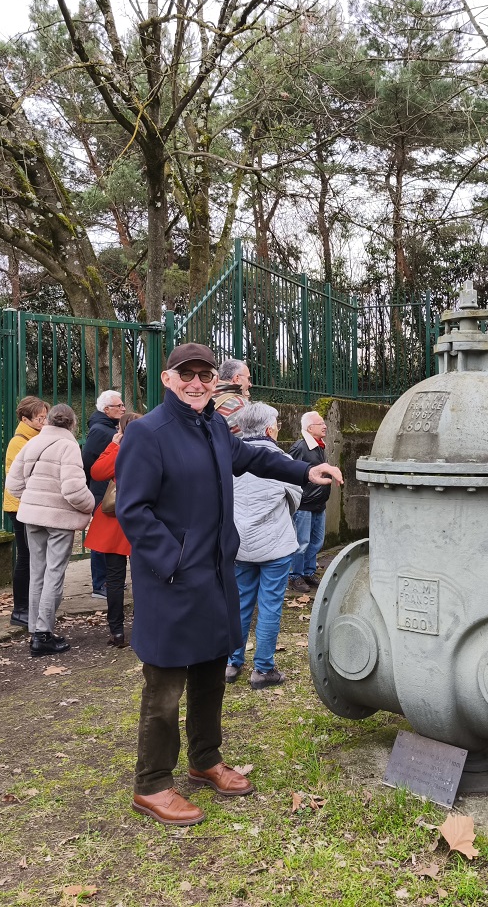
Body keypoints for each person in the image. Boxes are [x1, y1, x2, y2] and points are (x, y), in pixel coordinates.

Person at [116, 343, 344, 826]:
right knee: (165, 688)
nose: (197, 382)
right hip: (173, 581)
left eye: (205, 374)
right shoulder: (148, 433)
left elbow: (253, 458)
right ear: (167, 378)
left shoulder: (215, 425)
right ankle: (152, 783)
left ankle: (204, 760)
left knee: (209, 674)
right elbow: (132, 511)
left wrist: (306, 469)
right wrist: (174, 560)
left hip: (216, 576)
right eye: (187, 374)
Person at [5, 404, 96, 657]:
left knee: (38, 572)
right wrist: (91, 505)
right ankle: (43, 633)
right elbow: (73, 490)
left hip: (31, 518)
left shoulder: (32, 443)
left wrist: (34, 501)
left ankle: (35, 630)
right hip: (58, 519)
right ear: (72, 424)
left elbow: (13, 484)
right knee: (54, 573)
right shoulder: (68, 446)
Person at [223, 402, 301, 690]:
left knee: (240, 602)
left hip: (240, 544)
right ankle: (263, 668)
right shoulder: (279, 458)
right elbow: (295, 497)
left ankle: (232, 662)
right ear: (270, 428)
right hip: (275, 546)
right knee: (270, 606)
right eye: (277, 423)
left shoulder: (229, 458)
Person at [83, 410, 143, 648]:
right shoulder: (150, 449)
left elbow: (97, 472)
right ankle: (142, 628)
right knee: (142, 578)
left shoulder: (121, 450)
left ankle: (117, 632)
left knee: (115, 579)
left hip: (116, 521)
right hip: (144, 520)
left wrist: (114, 445)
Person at [2, 396, 49, 629]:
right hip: (20, 506)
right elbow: (20, 476)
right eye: (40, 418)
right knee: (26, 557)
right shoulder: (19, 441)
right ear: (25, 419)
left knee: (35, 557)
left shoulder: (38, 437)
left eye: (45, 417)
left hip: (32, 505)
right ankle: (20, 608)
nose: (44, 421)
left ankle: (31, 604)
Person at [83, 390, 126, 599]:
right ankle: (100, 583)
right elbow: (90, 462)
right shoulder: (102, 431)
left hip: (104, 488)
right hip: (103, 490)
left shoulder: (106, 427)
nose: (123, 408)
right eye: (119, 406)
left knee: (108, 539)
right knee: (102, 540)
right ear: (106, 409)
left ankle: (110, 580)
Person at [288, 411, 332, 593]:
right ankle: (295, 576)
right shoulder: (300, 447)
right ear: (309, 428)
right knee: (301, 542)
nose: (325, 426)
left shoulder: (318, 446)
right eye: (320, 423)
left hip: (319, 505)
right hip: (305, 505)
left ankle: (308, 572)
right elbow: (290, 472)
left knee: (316, 542)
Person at [212, 358, 251, 437]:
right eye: (248, 379)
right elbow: (247, 444)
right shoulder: (239, 406)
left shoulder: (203, 398)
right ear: (237, 378)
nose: (250, 384)